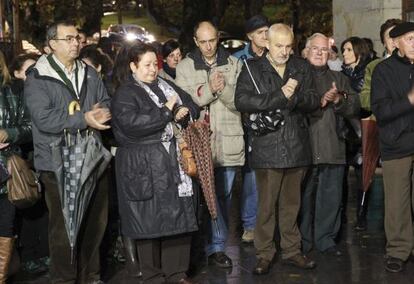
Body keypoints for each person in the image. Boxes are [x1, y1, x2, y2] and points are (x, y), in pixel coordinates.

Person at [24, 20, 111, 283]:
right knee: (64, 229)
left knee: (95, 223)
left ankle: (91, 276)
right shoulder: (37, 77)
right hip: (56, 162)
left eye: (77, 38)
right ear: (52, 44)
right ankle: (64, 279)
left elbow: (105, 101)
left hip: (92, 157)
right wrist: (84, 119)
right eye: (69, 39)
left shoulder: (88, 71)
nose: (76, 43)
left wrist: (101, 113)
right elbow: (44, 119)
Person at [111, 42, 199, 283]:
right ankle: (152, 276)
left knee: (179, 218)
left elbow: (191, 104)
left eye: (155, 64)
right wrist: (166, 112)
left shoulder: (166, 85)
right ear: (133, 66)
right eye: (147, 65)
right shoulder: (125, 93)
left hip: (172, 161)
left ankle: (177, 273)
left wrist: (183, 110)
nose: (152, 69)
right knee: (147, 222)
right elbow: (131, 125)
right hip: (143, 166)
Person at [235, 23, 319, 275]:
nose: (284, 51)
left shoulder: (301, 67)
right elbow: (242, 100)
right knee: (266, 206)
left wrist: (294, 98)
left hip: (296, 145)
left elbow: (314, 99)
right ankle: (264, 254)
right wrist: (280, 95)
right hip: (267, 146)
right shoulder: (252, 68)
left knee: (291, 204)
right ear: (266, 44)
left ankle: (292, 251)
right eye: (279, 46)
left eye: (288, 46)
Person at [175, 21, 244, 269]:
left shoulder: (234, 64)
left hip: (228, 140)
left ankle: (217, 247)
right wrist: (209, 91)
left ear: (219, 38)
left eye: (212, 40)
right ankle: (198, 246)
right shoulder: (184, 67)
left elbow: (239, 101)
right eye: (202, 41)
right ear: (195, 41)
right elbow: (186, 102)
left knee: (223, 196)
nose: (208, 46)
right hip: (198, 142)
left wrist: (221, 89)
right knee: (200, 197)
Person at [299, 33, 359, 256]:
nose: (319, 53)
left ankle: (326, 240)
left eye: (324, 50)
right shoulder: (296, 75)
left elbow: (354, 106)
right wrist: (319, 101)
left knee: (331, 197)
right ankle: (303, 242)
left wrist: (338, 100)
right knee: (303, 199)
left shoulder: (340, 78)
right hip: (304, 149)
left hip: (333, 145)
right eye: (315, 48)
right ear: (305, 51)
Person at [371, 21, 414, 273]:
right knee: (397, 201)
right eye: (409, 39)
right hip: (396, 144)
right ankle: (398, 250)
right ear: (395, 42)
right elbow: (382, 111)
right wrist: (409, 99)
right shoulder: (383, 71)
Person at [232, 14, 269, 244]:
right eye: (260, 33)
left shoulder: (275, 54)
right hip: (248, 123)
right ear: (249, 36)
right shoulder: (237, 60)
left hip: (273, 121)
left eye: (267, 31)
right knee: (251, 175)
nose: (265, 36)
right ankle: (250, 223)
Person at [0, 50, 32, 283]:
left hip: (5, 171)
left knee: (5, 226)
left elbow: (29, 126)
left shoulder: (13, 90)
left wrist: (7, 133)